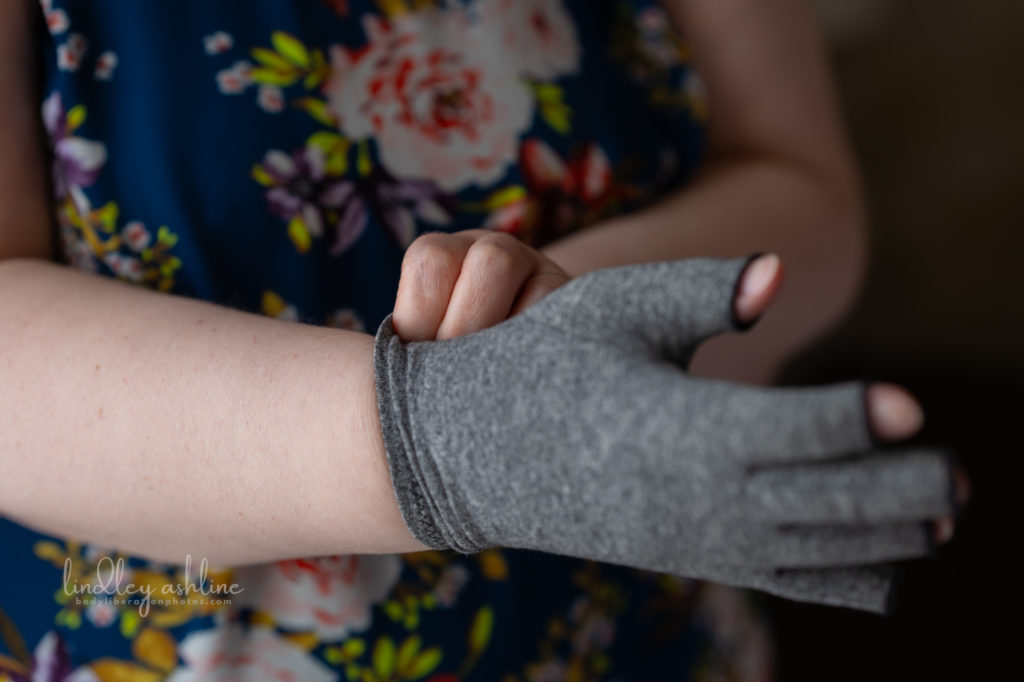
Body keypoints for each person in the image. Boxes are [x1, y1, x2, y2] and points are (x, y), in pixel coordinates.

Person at [0, 0, 963, 679]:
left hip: (629, 629)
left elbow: (800, 180)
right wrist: (449, 433)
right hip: (173, 638)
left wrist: (563, 323)